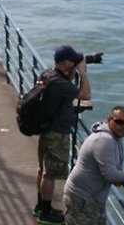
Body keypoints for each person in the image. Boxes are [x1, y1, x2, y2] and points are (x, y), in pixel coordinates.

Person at [34, 45, 92, 225]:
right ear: (66, 62)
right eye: (73, 61)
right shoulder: (60, 83)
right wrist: (82, 73)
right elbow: (85, 93)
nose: (75, 63)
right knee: (51, 174)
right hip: (57, 133)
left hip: (46, 128)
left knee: (43, 169)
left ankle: (40, 206)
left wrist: (75, 69)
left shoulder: (48, 74)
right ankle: (45, 213)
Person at [63, 106, 124, 225]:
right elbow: (110, 174)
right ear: (109, 120)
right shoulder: (104, 140)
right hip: (82, 197)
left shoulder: (115, 138)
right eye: (119, 122)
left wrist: (118, 177)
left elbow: (114, 169)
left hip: (94, 198)